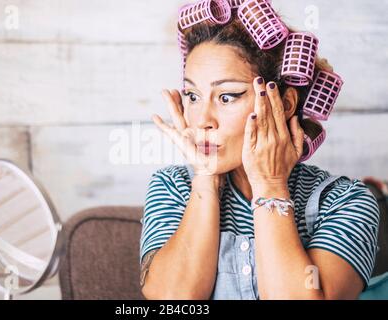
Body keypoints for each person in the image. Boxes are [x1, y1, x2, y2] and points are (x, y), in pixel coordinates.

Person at [139, 11, 380, 300]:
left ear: (285, 103)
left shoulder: (345, 200)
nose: (202, 119)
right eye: (192, 96)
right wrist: (206, 180)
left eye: (227, 97)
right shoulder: (171, 186)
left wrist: (270, 183)